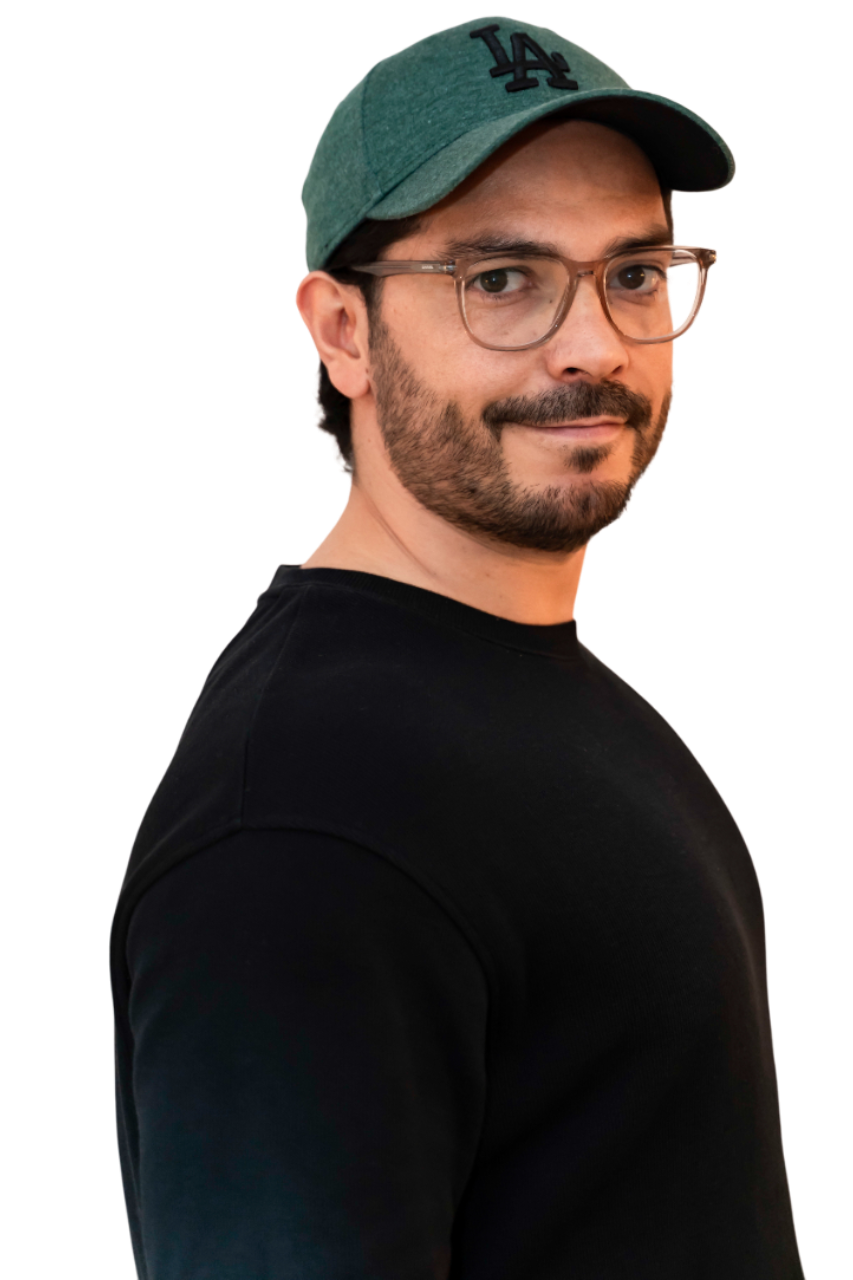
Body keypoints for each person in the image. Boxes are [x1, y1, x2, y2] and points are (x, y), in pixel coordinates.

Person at [110, 18, 806, 1278]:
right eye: (500, 279)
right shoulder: (298, 825)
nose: (593, 342)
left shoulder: (561, 697)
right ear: (341, 330)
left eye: (634, 272)